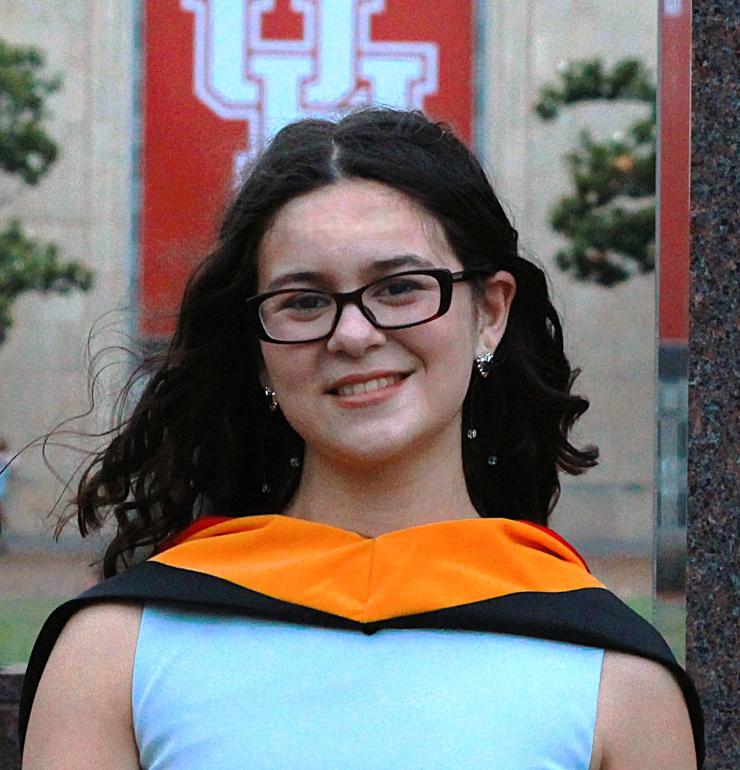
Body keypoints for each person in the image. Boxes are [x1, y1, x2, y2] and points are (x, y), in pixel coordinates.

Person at [20, 108, 703, 769]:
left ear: (490, 313)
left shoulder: (620, 680)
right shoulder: (113, 653)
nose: (353, 334)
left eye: (401, 287)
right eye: (303, 301)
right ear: (259, 350)